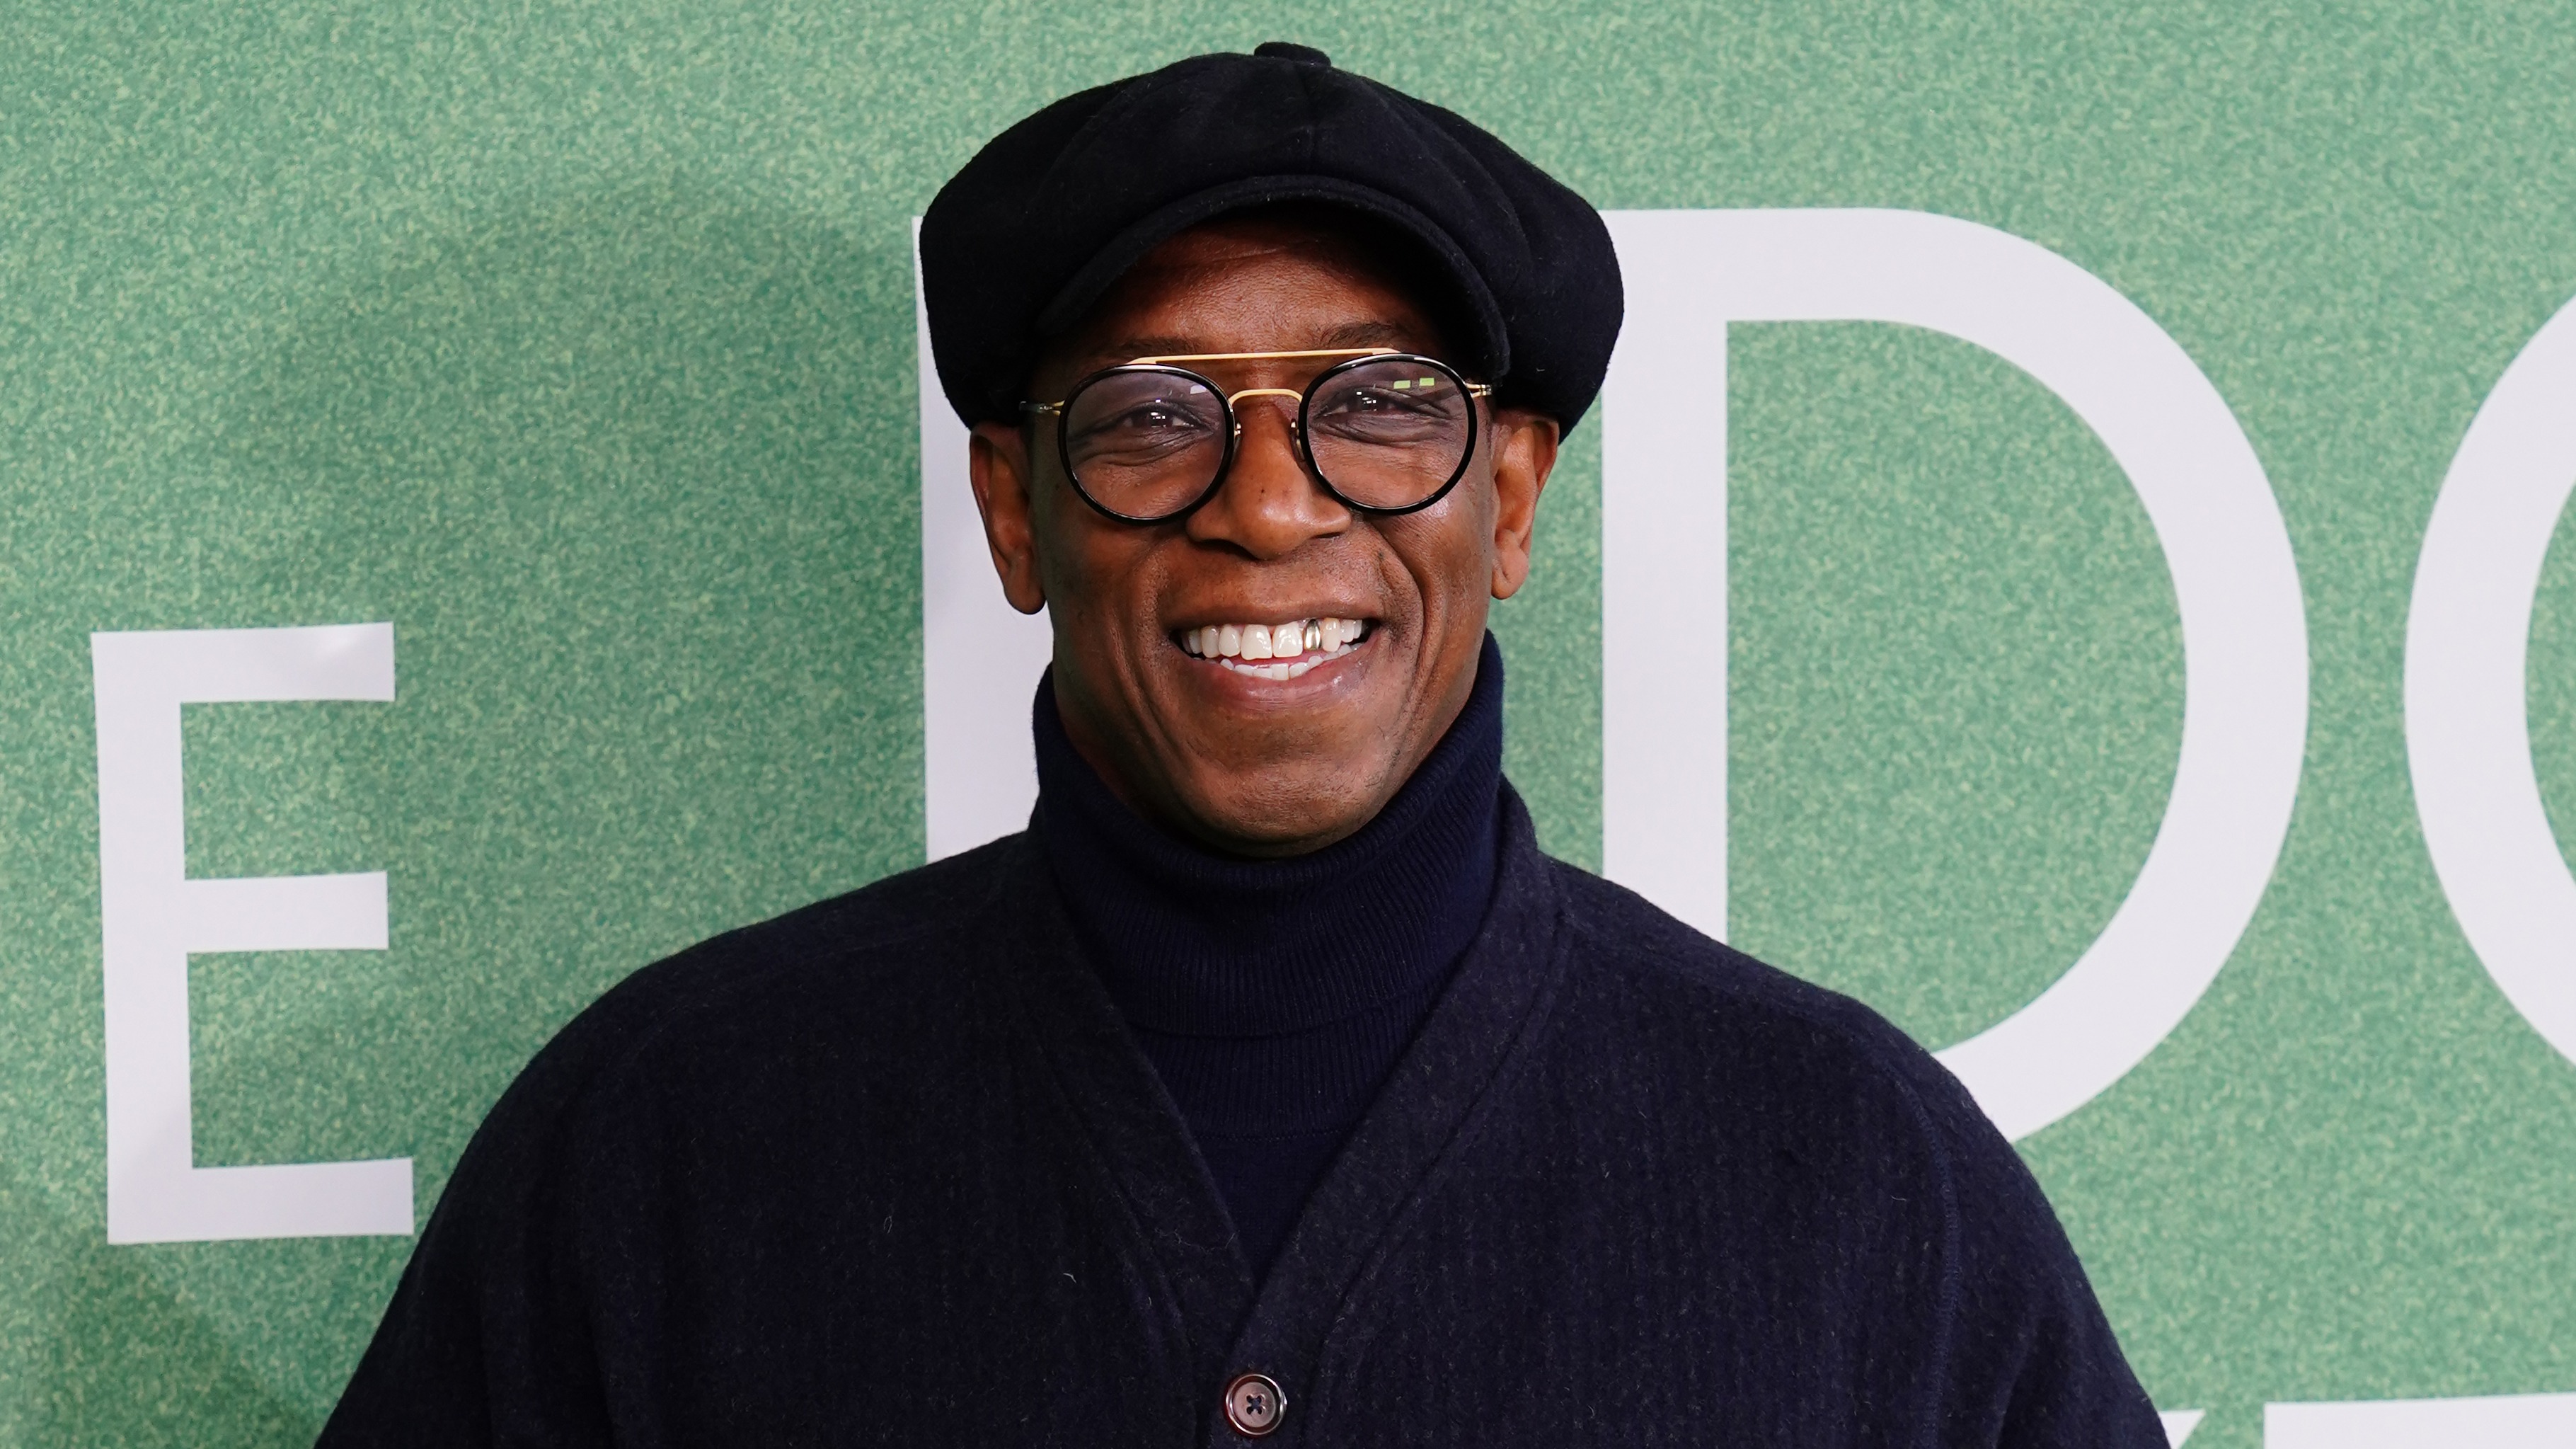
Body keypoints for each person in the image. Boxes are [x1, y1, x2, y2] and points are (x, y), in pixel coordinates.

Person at [320, 43, 2165, 1446]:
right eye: (1150, 415)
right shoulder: (667, 1145)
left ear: (1513, 499)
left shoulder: (1849, 1176)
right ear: (1014, 512)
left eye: (1380, 405)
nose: (1271, 506)